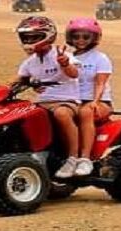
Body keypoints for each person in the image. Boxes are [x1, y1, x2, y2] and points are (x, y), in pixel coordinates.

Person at [12, 16, 81, 178]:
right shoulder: (29, 63)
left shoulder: (64, 55)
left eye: (35, 37)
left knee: (61, 114)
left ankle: (73, 158)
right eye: (27, 37)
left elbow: (74, 74)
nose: (30, 41)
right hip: (42, 103)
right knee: (24, 115)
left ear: (48, 36)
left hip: (66, 100)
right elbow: (16, 81)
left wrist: (64, 63)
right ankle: (39, 151)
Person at [65, 17, 113, 176]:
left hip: (99, 101)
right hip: (74, 100)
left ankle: (85, 159)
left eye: (86, 37)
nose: (80, 40)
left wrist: (95, 101)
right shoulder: (68, 57)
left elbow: (100, 83)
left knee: (85, 112)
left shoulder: (100, 58)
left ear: (94, 38)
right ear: (70, 38)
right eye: (76, 37)